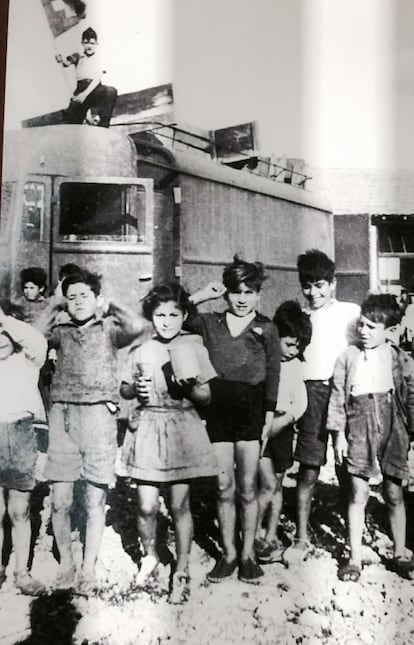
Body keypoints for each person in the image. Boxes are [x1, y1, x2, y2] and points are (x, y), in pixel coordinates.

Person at [44, 269, 143, 595]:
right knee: (60, 500)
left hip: (99, 417)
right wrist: (55, 303)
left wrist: (110, 303)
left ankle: (88, 569)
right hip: (63, 416)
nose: (77, 302)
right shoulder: (60, 331)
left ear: (96, 298)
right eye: (71, 297)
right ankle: (66, 565)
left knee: (94, 500)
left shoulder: (109, 330)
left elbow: (138, 327)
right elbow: (32, 335)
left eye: (84, 295)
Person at [118, 283, 217, 604]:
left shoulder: (194, 349)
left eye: (174, 315)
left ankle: (183, 569)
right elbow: (125, 389)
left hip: (181, 428)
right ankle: (150, 556)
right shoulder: (142, 350)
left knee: (178, 505)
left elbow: (206, 397)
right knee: (146, 504)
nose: (167, 321)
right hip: (148, 427)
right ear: (151, 317)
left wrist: (188, 387)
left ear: (184, 315)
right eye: (160, 315)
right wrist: (136, 390)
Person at [189, 256, 281, 584]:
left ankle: (248, 556)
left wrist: (268, 416)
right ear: (226, 293)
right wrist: (202, 295)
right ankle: (228, 554)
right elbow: (172, 312)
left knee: (247, 488)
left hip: (251, 413)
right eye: (235, 292)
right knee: (223, 486)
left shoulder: (267, 328)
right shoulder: (209, 322)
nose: (242, 299)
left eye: (249, 291)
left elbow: (273, 374)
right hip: (218, 412)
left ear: (258, 294)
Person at [327, 294, 414, 582]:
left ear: (389, 331)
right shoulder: (348, 357)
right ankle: (354, 557)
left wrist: (410, 432)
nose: (363, 331)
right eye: (361, 325)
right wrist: (338, 435)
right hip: (358, 423)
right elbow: (338, 397)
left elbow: (410, 397)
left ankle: (400, 552)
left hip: (393, 424)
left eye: (371, 327)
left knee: (393, 492)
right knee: (358, 492)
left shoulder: (400, 359)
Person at [283, 249, 360, 564]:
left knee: (347, 468)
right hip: (312, 394)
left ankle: (352, 534)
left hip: (344, 392)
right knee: (309, 468)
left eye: (320, 285)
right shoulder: (300, 318)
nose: (313, 292)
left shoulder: (351, 313)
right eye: (307, 284)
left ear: (334, 283)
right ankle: (301, 536)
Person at [255, 301, 312, 564]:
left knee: (277, 484)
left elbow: (300, 402)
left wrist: (287, 418)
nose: (294, 350)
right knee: (264, 483)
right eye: (290, 344)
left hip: (283, 427)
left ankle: (270, 535)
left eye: (299, 346)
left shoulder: (295, 366)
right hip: (261, 426)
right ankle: (252, 533)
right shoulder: (264, 361)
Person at [0, 301, 47, 595]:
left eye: (3, 332)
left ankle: (22, 572)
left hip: (21, 435)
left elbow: (37, 339)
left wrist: (4, 319)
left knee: (20, 510)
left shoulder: (28, 360)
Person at [56, 27, 117, 128]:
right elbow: (66, 63)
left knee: (111, 91)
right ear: (82, 43)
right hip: (81, 89)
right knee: (73, 121)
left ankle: (103, 126)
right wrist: (61, 59)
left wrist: (84, 95)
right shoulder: (78, 56)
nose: (89, 46)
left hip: (95, 88)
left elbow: (97, 78)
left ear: (97, 44)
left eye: (92, 43)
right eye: (86, 43)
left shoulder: (99, 58)